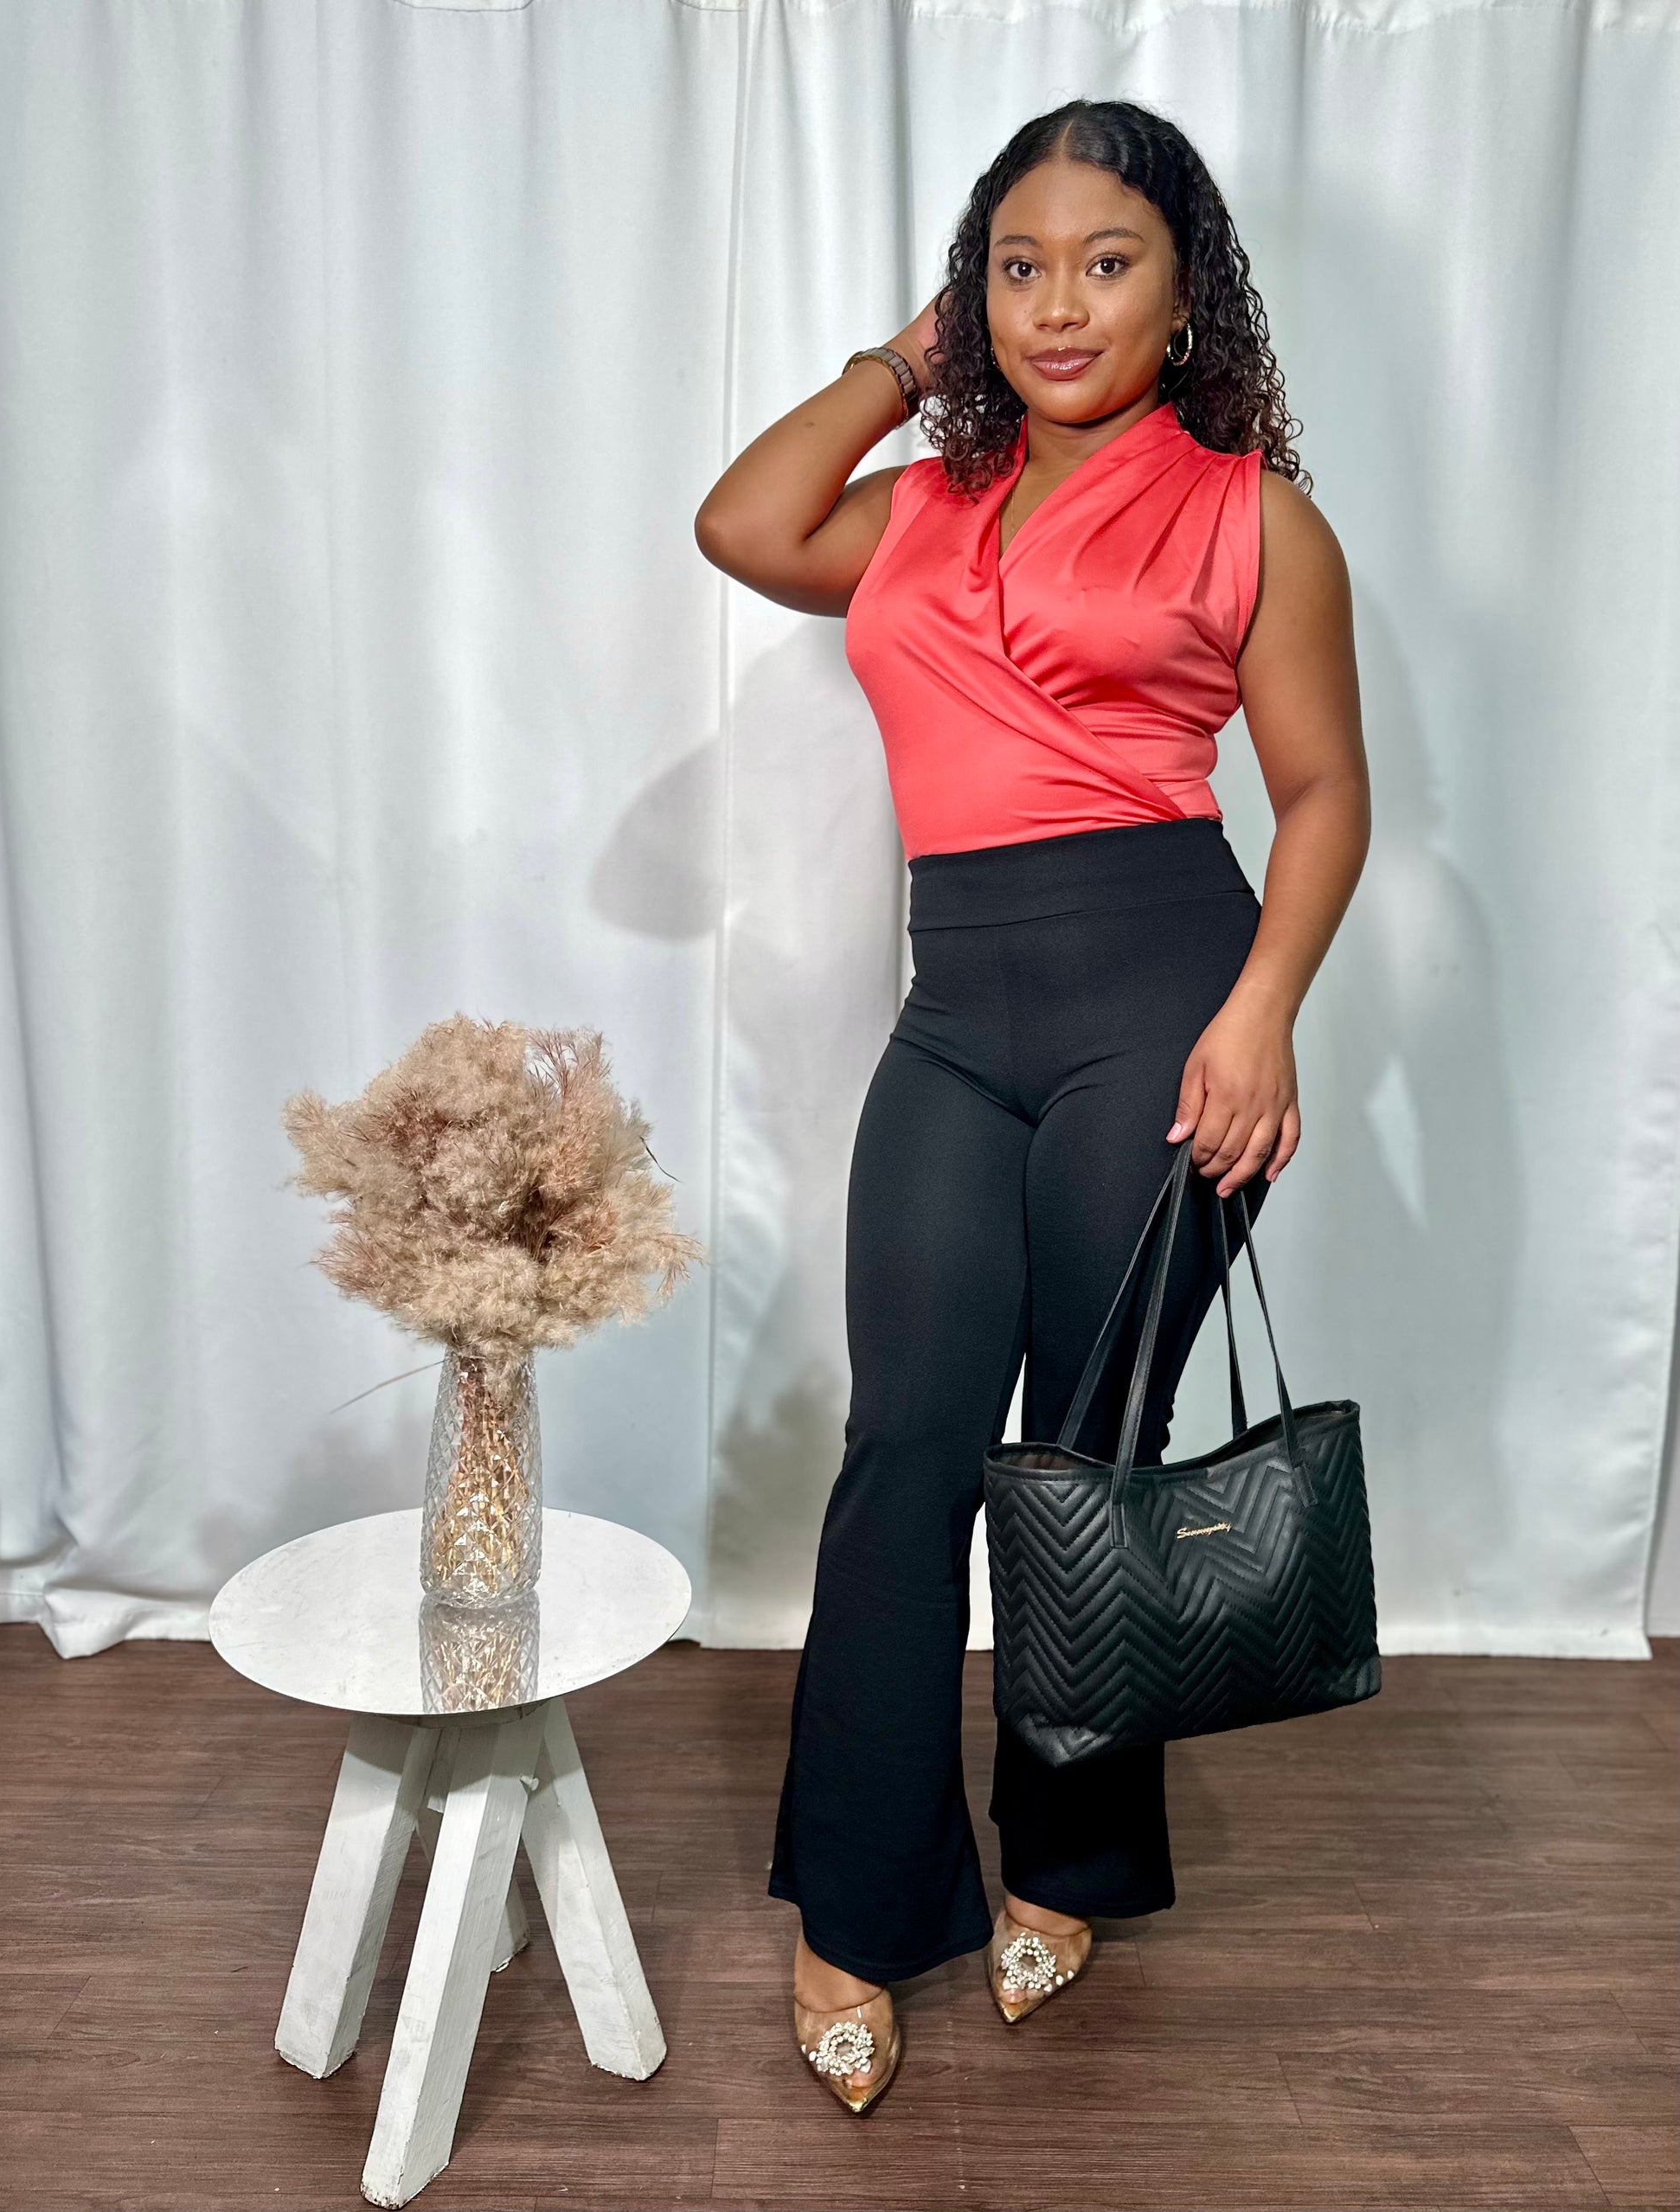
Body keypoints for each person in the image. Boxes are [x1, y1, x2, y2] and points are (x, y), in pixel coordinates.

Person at [694, 97, 1369, 2113]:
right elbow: (742, 523)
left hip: (1161, 1000)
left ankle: (1067, 1860)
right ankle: (858, 1897)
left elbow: (1322, 794)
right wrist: (906, 365)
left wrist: (1262, 1015)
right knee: (903, 1445)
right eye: (1018, 265)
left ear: (1184, 294)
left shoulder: (1253, 515)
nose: (1059, 303)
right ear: (969, 291)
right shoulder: (917, 502)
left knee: (1086, 1457)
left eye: (1105, 262)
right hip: (956, 1011)